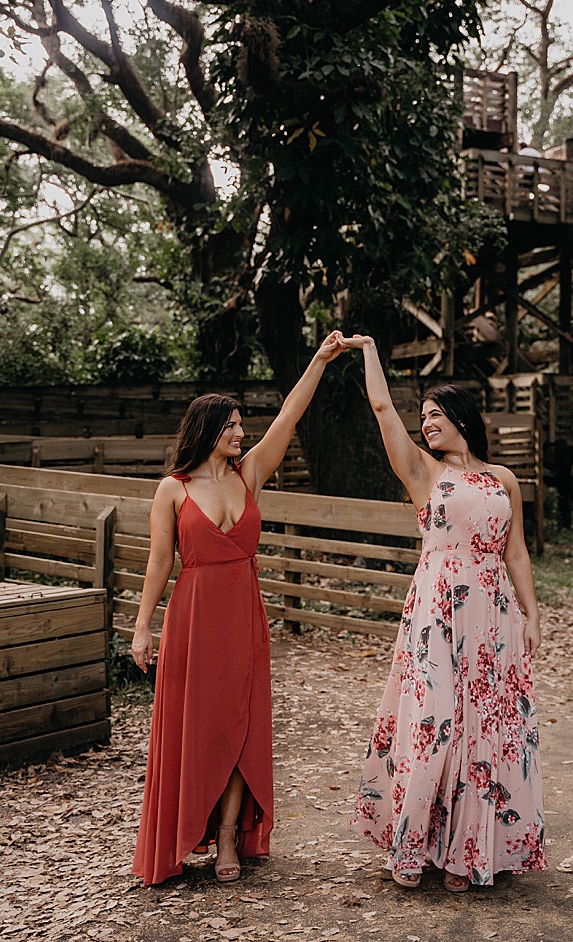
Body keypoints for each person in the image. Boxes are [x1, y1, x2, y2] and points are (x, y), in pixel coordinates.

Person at [131, 332, 354, 885]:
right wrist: (142, 628)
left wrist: (319, 361)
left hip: (243, 617)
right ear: (207, 429)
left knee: (241, 727)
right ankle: (186, 830)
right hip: (193, 619)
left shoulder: (248, 475)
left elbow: (288, 416)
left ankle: (228, 836)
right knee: (198, 728)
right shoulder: (172, 489)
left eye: (240, 425)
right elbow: (159, 562)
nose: (240, 432)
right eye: (231, 425)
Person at [345, 336, 545, 890]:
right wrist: (369, 350)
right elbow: (382, 408)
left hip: (492, 615)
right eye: (423, 417)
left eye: (435, 415)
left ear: (461, 418)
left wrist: (531, 615)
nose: (426, 424)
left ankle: (465, 851)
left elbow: (516, 552)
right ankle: (414, 846)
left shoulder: (503, 478)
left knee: (485, 727)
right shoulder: (424, 472)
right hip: (437, 609)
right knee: (434, 723)